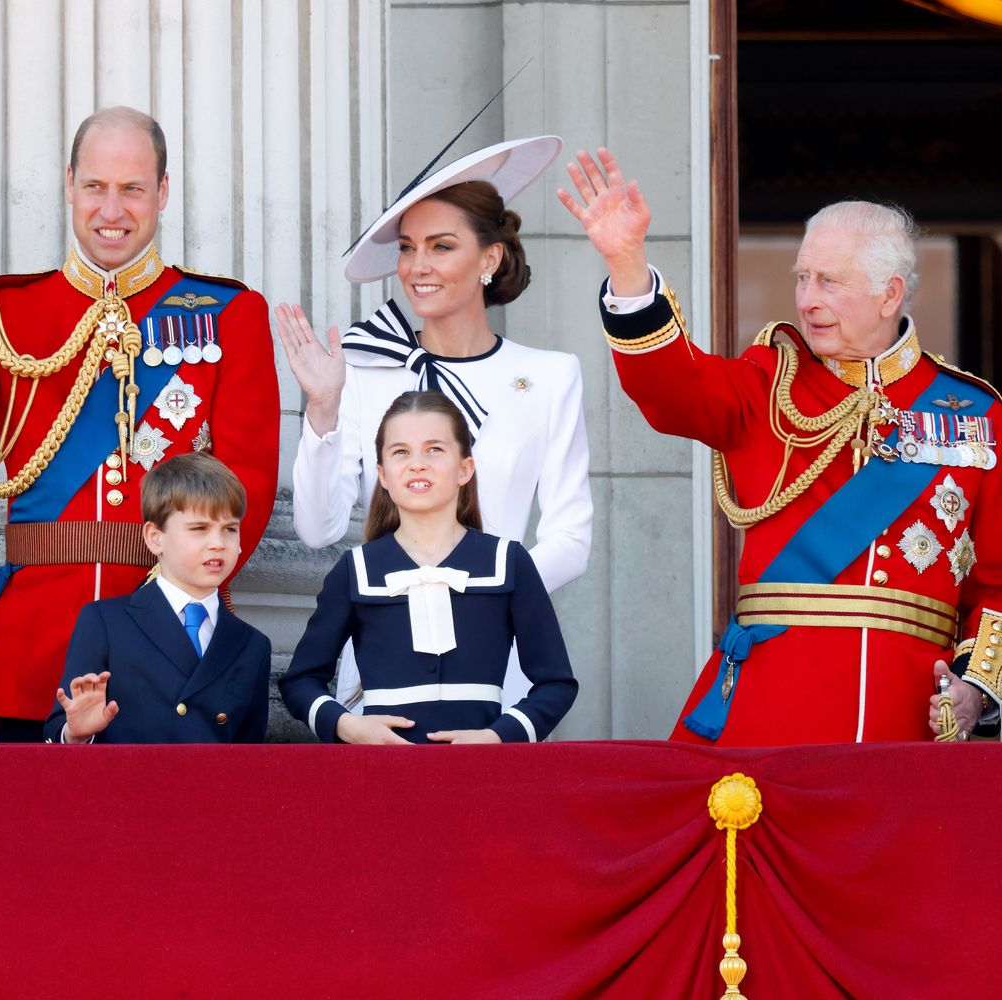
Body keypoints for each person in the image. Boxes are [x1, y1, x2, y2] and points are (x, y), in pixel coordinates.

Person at [558, 147, 1002, 745]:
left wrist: (976, 690)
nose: (807, 298)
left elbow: (996, 586)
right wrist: (628, 266)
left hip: (909, 720)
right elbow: (673, 388)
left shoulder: (976, 412)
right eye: (801, 277)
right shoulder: (770, 382)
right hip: (773, 711)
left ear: (889, 293)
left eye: (829, 281)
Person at [0, 107, 279, 741]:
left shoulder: (229, 314)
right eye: (95, 187)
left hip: (167, 648)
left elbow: (245, 482)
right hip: (34, 648)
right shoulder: (4, 309)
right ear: (69, 184)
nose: (111, 209)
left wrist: (174, 610)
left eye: (132, 189)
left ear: (162, 192)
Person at [275, 136, 592, 712]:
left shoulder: (549, 376)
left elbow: (571, 541)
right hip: (379, 656)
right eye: (407, 247)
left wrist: (477, 597)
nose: (417, 267)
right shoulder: (364, 369)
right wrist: (321, 407)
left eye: (441, 246)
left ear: (489, 259)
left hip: (501, 659)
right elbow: (318, 529)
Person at [280, 391, 577, 743]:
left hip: (483, 778)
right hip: (381, 777)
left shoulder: (508, 562)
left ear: (464, 469)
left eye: (434, 449)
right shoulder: (356, 569)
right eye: (400, 452)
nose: (417, 463)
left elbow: (556, 683)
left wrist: (499, 737)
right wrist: (348, 725)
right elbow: (300, 680)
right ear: (383, 475)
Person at [43, 453, 271, 744]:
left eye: (230, 529)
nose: (218, 544)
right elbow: (56, 733)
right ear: (155, 537)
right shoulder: (106, 623)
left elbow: (250, 758)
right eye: (199, 529)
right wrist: (75, 734)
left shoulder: (252, 644)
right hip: (123, 787)